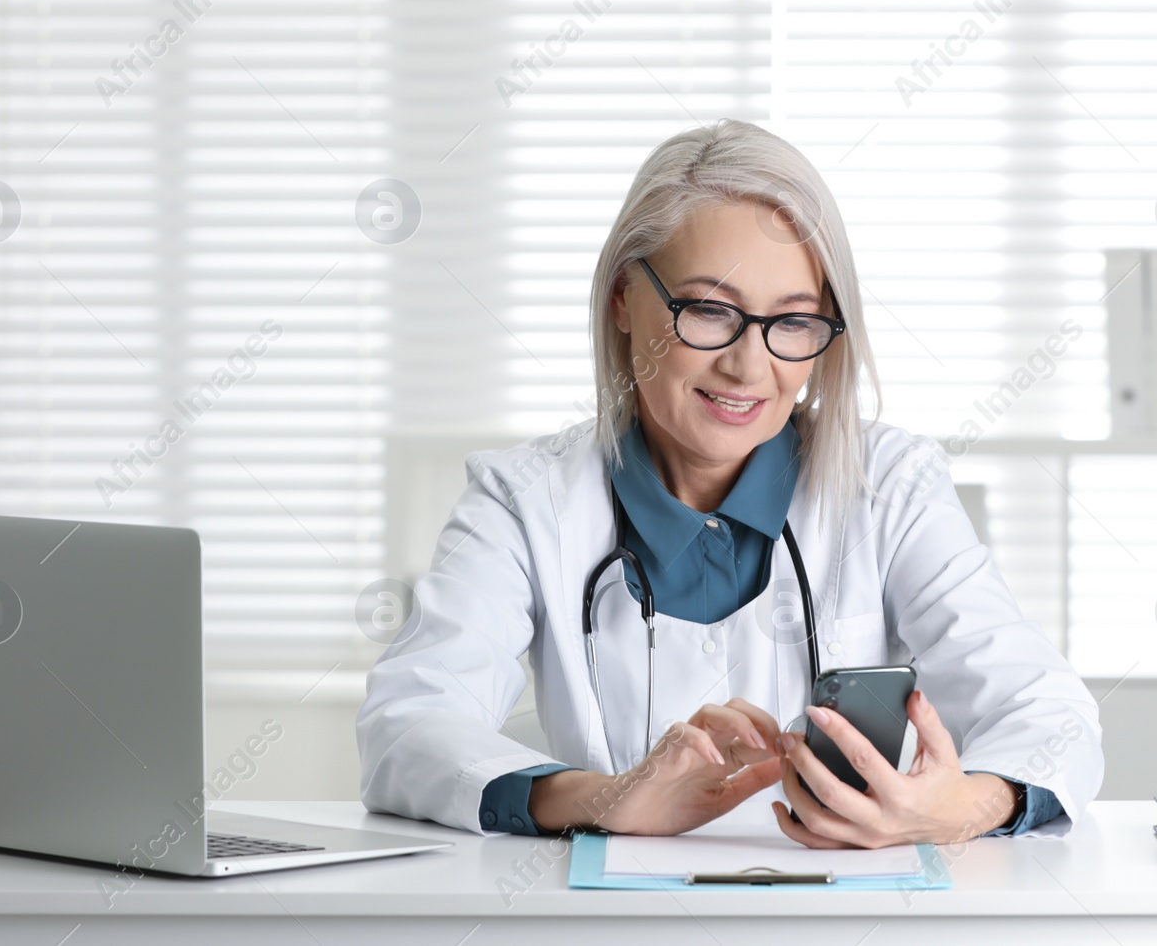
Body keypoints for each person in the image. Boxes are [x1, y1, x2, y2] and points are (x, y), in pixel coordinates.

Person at [356, 119, 1102, 846]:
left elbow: (1050, 713)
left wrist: (959, 807)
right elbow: (408, 724)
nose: (749, 367)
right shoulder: (525, 500)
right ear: (623, 296)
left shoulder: (893, 486)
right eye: (708, 312)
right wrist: (604, 800)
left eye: (793, 322)